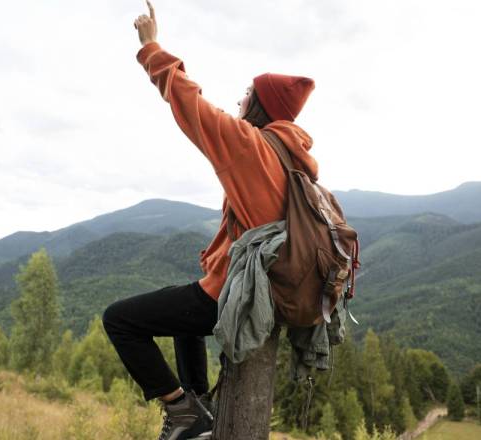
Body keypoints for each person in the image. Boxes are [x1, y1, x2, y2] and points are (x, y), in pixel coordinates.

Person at [102, 2, 318, 439]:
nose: (240, 100)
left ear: (261, 104)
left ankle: (180, 408)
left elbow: (190, 104)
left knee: (119, 320)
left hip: (242, 295)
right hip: (271, 290)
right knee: (186, 308)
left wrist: (151, 47)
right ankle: (199, 408)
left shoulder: (251, 146)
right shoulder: (292, 159)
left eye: (246, 94)